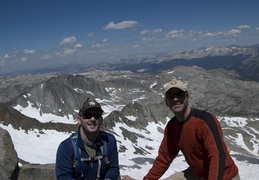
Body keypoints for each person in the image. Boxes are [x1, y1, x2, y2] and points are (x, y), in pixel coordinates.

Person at [123, 80, 239, 180]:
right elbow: (164, 159)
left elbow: (217, 155)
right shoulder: (172, 127)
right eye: (171, 96)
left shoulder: (204, 120)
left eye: (180, 94)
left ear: (187, 98)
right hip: (196, 175)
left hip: (224, 176)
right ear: (166, 102)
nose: (176, 99)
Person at [56, 98, 120, 180]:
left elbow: (113, 168)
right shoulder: (66, 147)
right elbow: (63, 176)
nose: (92, 119)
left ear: (101, 120)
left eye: (97, 115)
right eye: (87, 115)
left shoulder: (109, 141)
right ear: (79, 120)